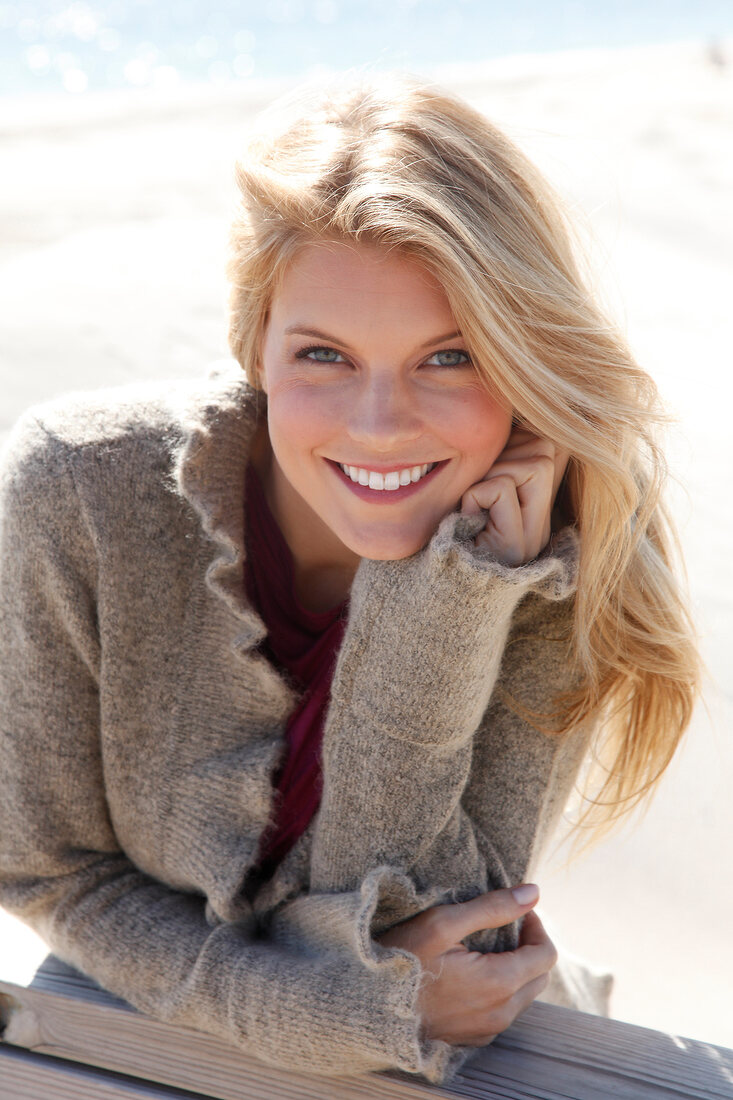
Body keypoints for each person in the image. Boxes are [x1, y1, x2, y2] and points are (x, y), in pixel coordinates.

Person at [0, 74, 699, 1083]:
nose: (379, 423)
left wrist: (447, 604)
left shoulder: (550, 557)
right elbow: (46, 869)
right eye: (322, 352)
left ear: (523, 359)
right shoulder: (81, 491)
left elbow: (431, 922)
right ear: (256, 349)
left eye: (450, 356)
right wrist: (320, 1004)